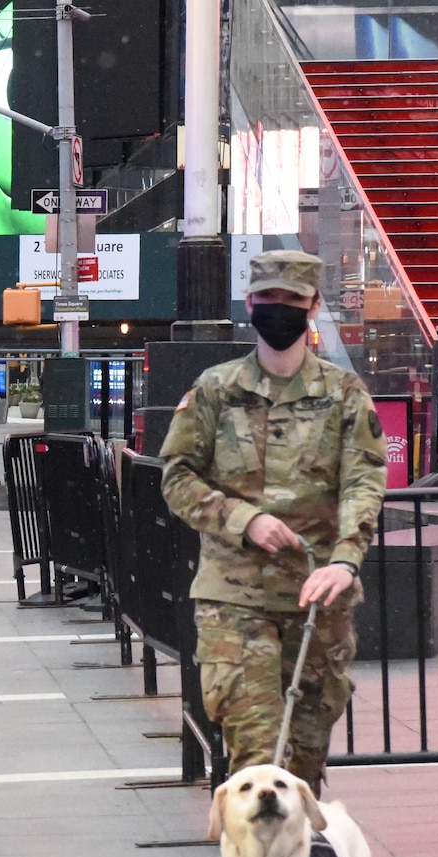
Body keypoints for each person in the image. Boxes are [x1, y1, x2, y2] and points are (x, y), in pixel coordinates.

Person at [160, 250, 386, 793]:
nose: (278, 308)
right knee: (259, 760)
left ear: (312, 305)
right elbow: (177, 478)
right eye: (268, 298)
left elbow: (363, 482)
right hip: (235, 599)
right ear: (249, 303)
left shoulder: (343, 394)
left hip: (316, 602)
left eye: (291, 298)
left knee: (304, 765)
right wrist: (243, 519)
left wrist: (346, 563)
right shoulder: (216, 390)